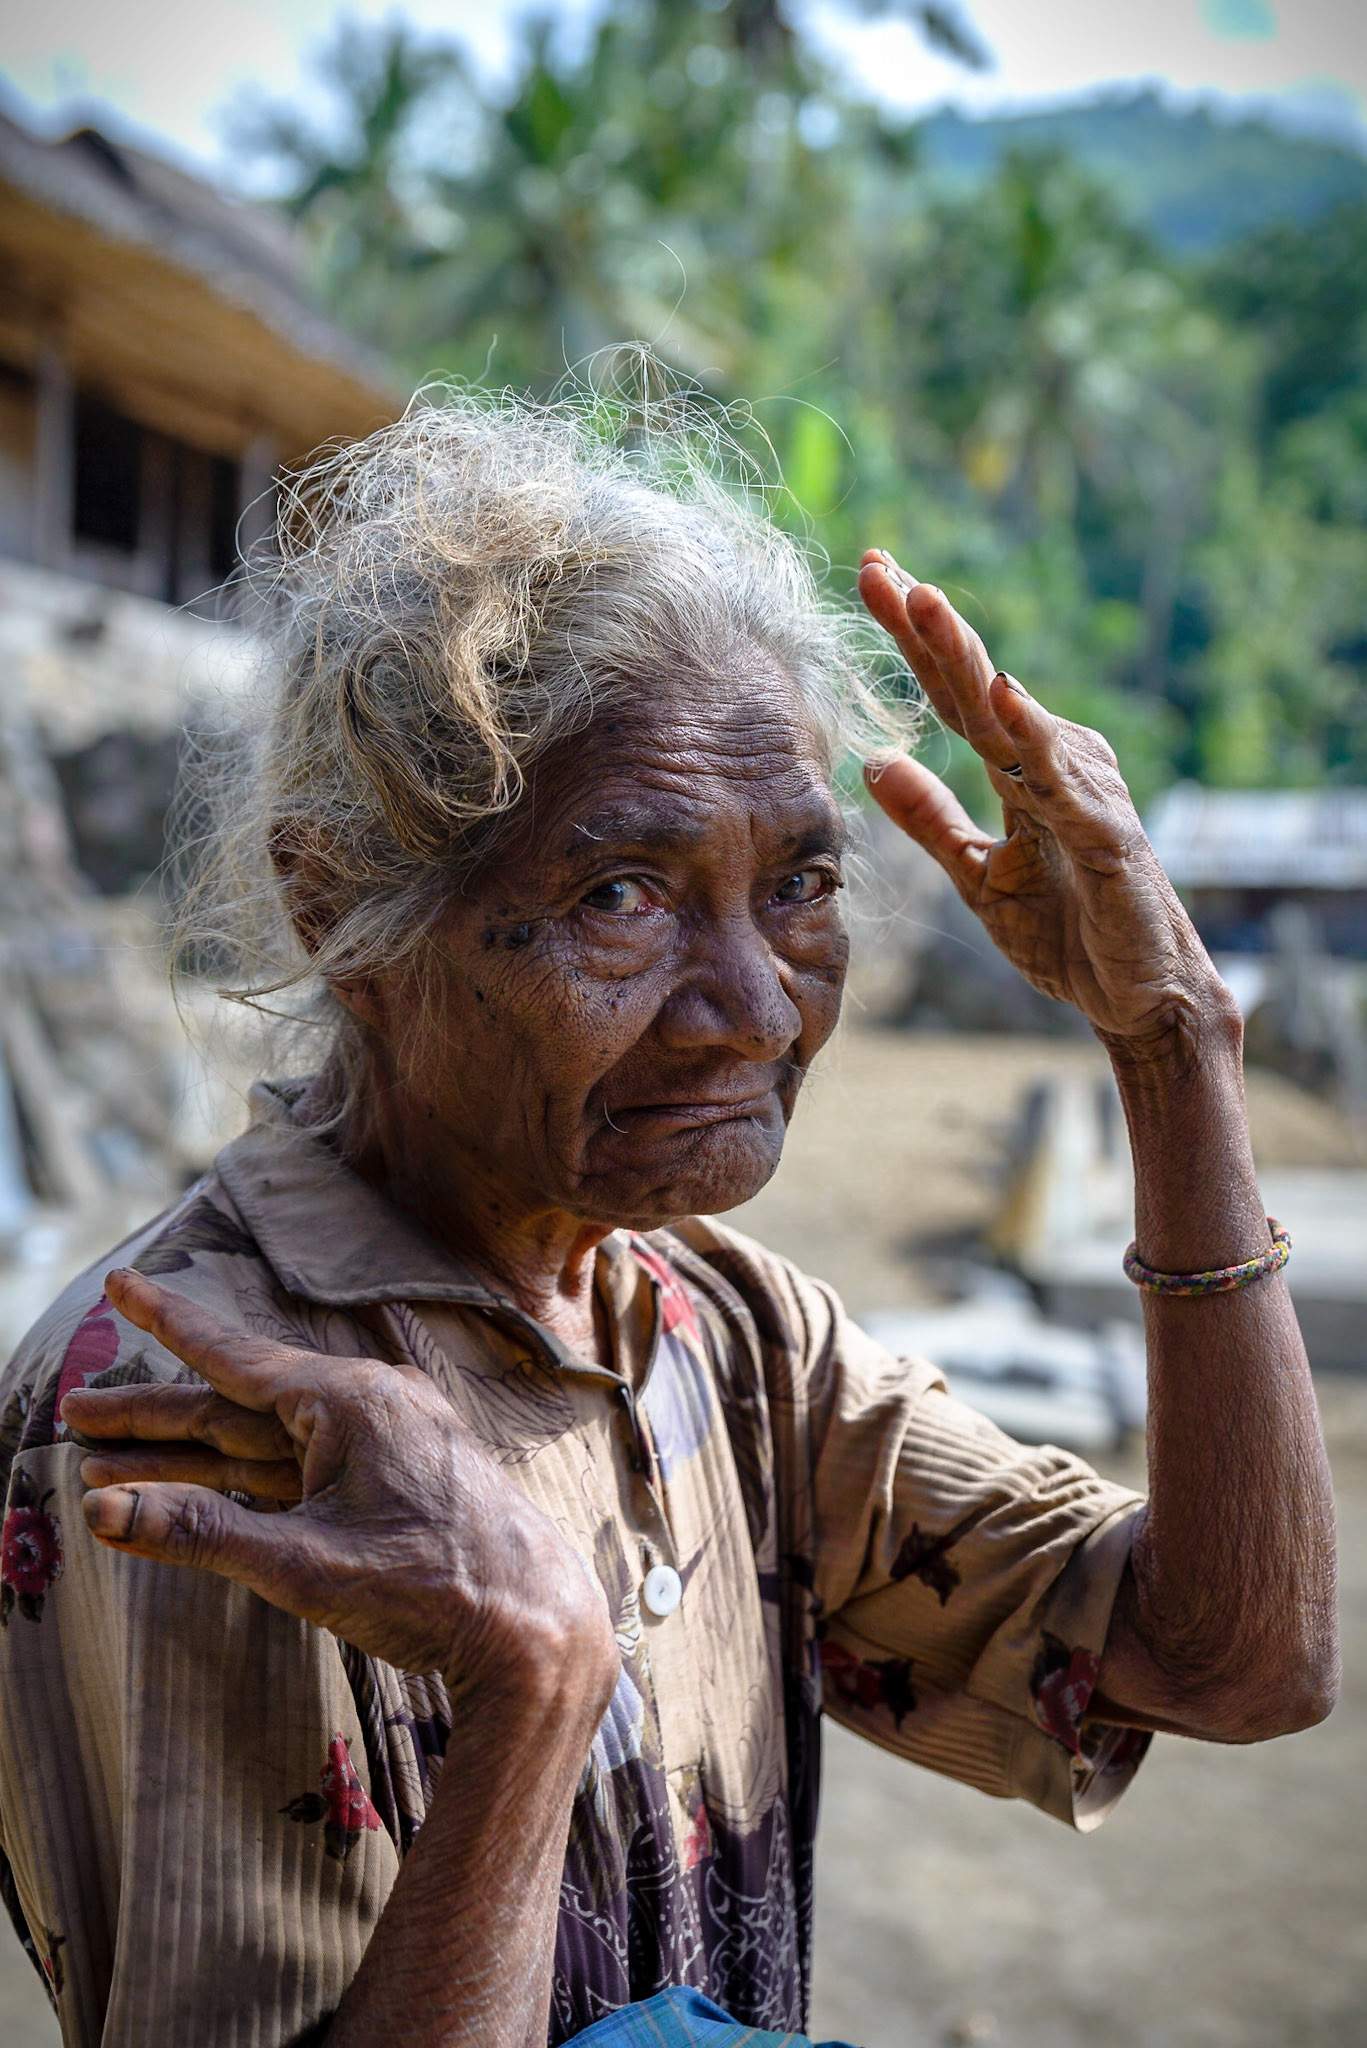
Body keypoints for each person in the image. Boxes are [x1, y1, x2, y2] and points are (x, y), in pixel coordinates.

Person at [0, 394, 1337, 2048]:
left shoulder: (720, 1328)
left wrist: (1175, 1041)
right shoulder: (186, 1416)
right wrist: (534, 1683)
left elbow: (1233, 1661)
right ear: (342, 910)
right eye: (620, 896)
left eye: (800, 886)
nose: (757, 1011)